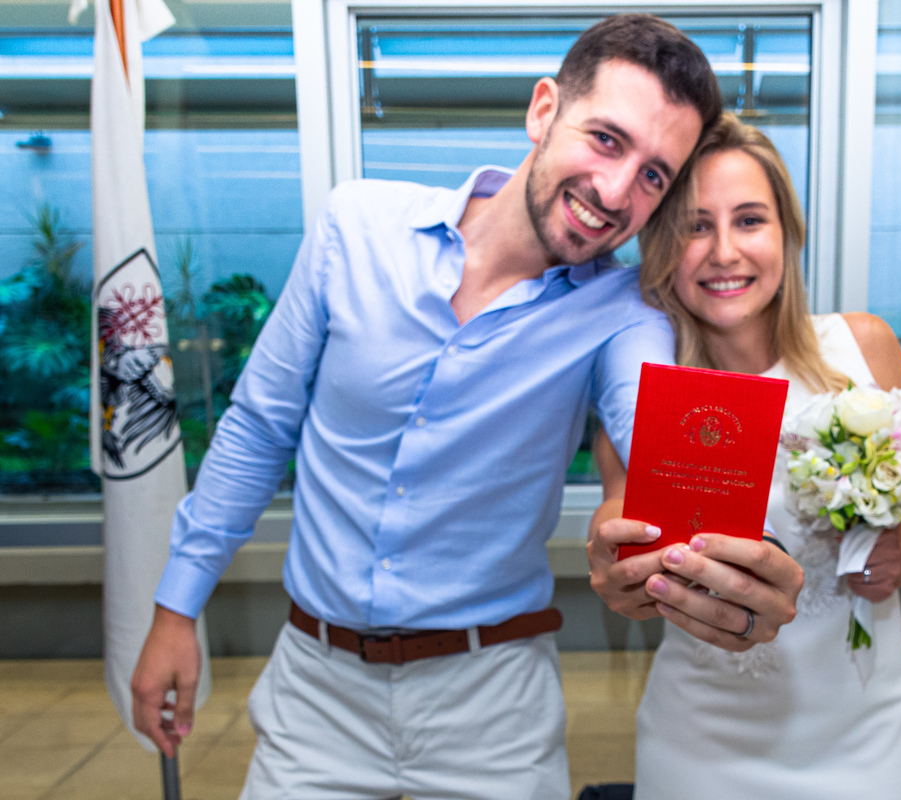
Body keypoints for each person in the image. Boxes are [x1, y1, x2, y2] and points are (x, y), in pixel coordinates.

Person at [129, 17, 806, 800]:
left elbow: (663, 438)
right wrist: (175, 610)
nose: (616, 193)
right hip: (314, 693)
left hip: (493, 706)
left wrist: (741, 563)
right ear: (544, 110)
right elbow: (258, 424)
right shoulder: (356, 226)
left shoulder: (624, 313)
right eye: (607, 140)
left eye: (655, 175)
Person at [588, 113, 901, 799]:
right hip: (701, 737)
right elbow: (617, 511)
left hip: (865, 729)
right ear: (664, 246)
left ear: (787, 235)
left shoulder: (862, 345)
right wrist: (617, 558)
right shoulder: (647, 383)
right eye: (696, 226)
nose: (725, 251)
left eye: (750, 220)